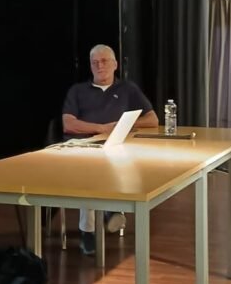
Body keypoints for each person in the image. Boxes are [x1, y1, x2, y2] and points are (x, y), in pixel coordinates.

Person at [62, 44, 159, 255]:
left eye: (104, 61)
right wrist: (101, 128)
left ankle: (111, 210)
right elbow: (68, 124)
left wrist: (123, 124)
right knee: (90, 171)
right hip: (83, 147)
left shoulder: (128, 89)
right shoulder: (77, 91)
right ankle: (90, 230)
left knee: (125, 161)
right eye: (95, 62)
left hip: (116, 146)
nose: (100, 66)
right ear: (90, 66)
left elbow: (152, 120)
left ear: (115, 64)